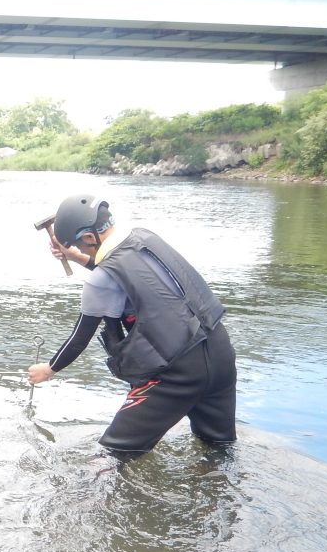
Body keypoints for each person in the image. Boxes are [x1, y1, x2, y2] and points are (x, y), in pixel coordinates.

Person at [27, 194, 237, 458]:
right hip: (220, 354)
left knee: (111, 455)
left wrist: (49, 368)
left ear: (90, 238)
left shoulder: (99, 280)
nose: (85, 251)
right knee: (218, 449)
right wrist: (78, 257)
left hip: (177, 374)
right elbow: (126, 276)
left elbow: (80, 338)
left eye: (84, 247)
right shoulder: (146, 238)